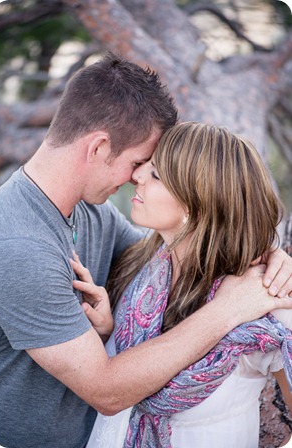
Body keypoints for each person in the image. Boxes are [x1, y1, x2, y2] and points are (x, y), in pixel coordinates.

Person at [0, 54, 292, 448]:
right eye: (138, 162)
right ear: (99, 147)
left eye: (152, 170)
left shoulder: (90, 212)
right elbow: (107, 390)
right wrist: (231, 308)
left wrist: (269, 257)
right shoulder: (18, 245)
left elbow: (189, 257)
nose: (136, 176)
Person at [71, 121, 292, 448]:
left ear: (197, 203)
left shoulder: (264, 303)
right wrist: (109, 332)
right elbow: (124, 379)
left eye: (156, 175)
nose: (137, 176)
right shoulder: (140, 269)